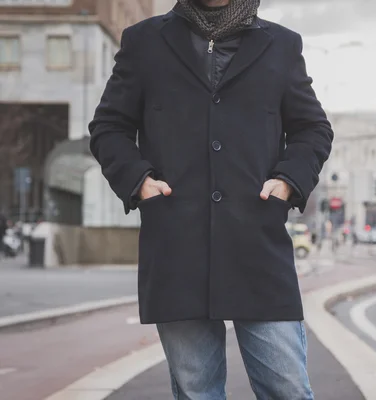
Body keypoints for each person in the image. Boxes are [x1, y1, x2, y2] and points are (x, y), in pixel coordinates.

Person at [89, 0, 333, 399]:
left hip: (257, 242)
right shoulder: (144, 41)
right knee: (196, 390)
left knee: (286, 388)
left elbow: (313, 129)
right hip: (176, 244)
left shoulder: (282, 45)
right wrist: (139, 181)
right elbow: (108, 127)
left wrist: (288, 180)